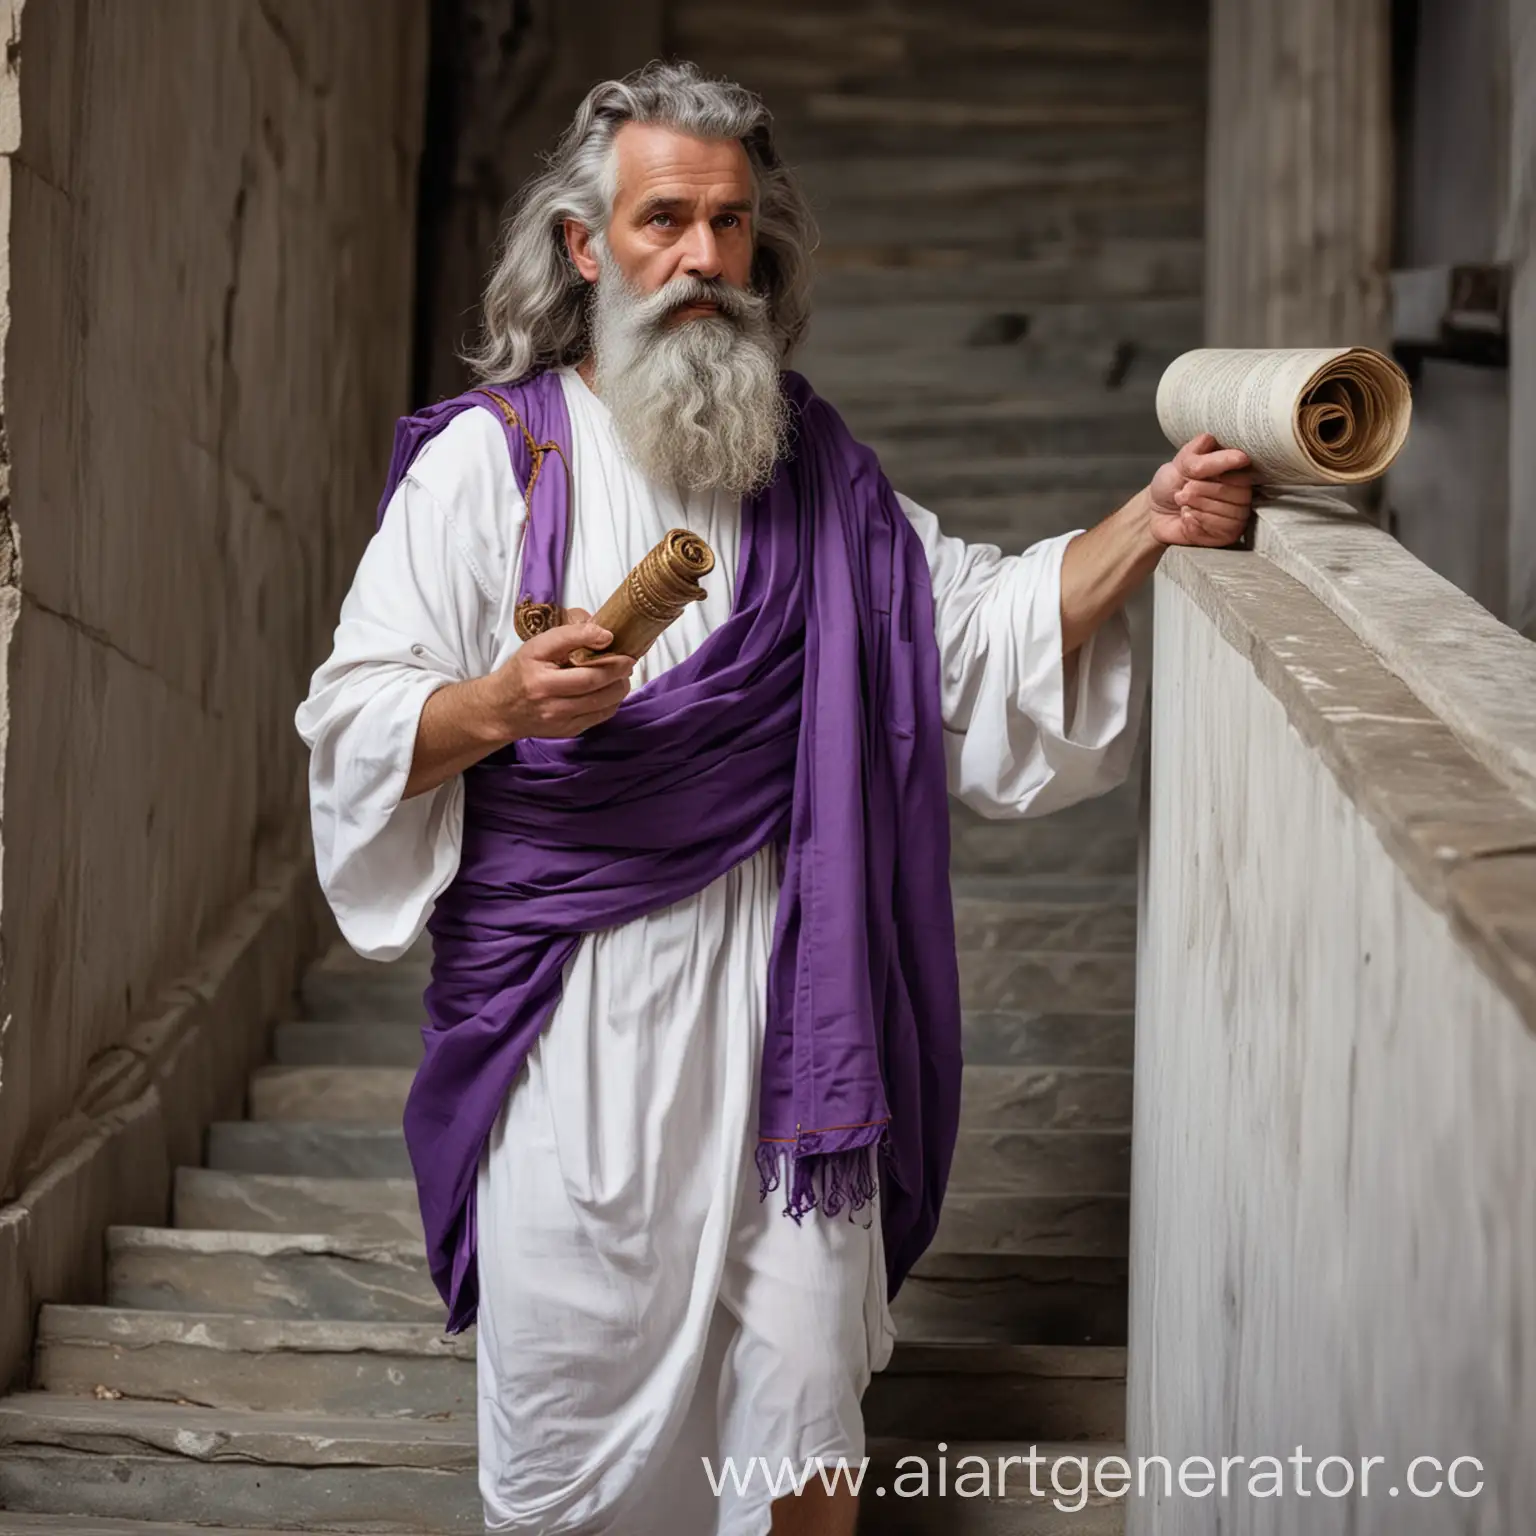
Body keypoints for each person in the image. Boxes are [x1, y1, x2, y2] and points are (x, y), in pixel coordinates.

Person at [296, 60, 1254, 1536]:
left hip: (798, 1058)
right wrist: (499, 704)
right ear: (583, 245)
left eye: (730, 226)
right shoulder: (494, 465)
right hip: (578, 1052)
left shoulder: (813, 473)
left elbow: (973, 630)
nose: (700, 261)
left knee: (804, 1436)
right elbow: (353, 720)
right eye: (663, 220)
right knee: (572, 1459)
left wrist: (1152, 517)